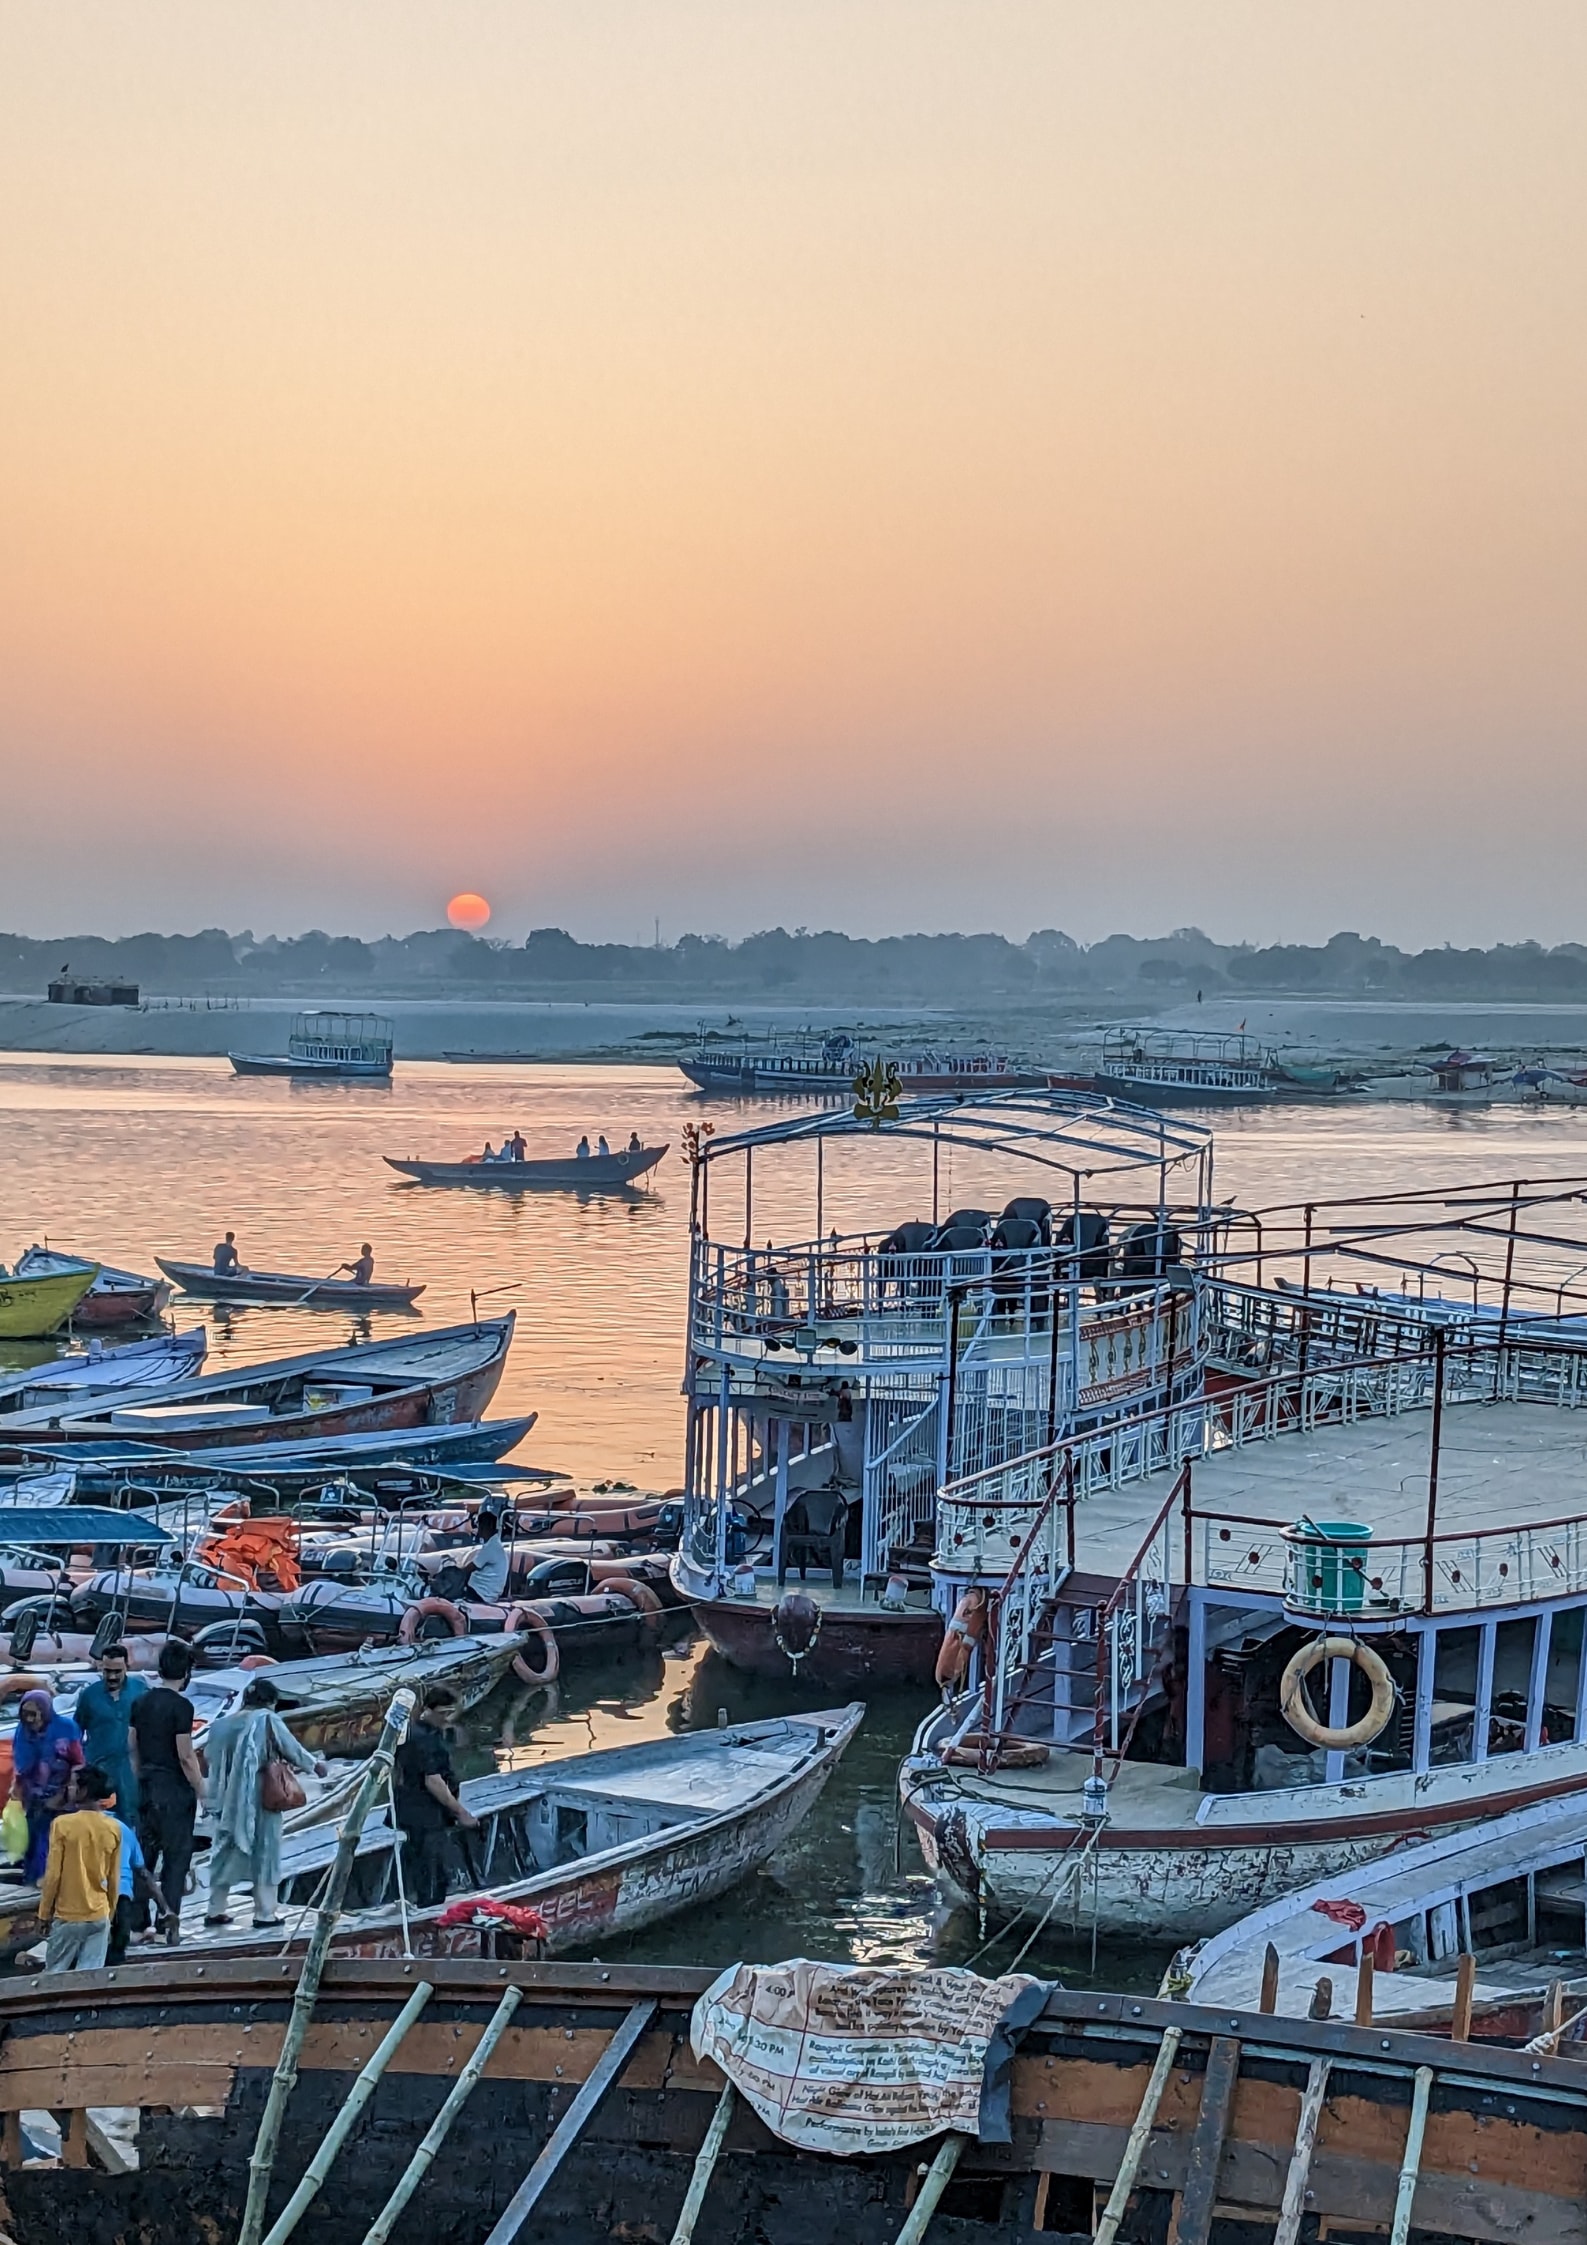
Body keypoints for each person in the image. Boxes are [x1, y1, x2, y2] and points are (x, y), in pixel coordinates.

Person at [202, 1678, 325, 1930]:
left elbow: (209, 1758)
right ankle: (265, 1913)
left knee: (224, 1851)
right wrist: (316, 1766)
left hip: (226, 1800)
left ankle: (215, 1909)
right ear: (270, 1702)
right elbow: (291, 1749)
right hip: (259, 1797)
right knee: (265, 1853)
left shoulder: (219, 1726)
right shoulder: (267, 1720)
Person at [130, 1641, 205, 1942]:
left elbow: (131, 1746)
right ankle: (166, 1925)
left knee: (144, 1858)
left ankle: (137, 1924)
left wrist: (139, 1779)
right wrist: (200, 1788)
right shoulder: (181, 1707)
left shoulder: (140, 1702)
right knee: (175, 1861)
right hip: (174, 1791)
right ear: (186, 1672)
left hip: (146, 1786)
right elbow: (185, 1755)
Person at [392, 1686, 480, 1908]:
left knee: (432, 1867)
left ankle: (432, 1903)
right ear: (426, 1710)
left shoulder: (428, 1732)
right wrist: (462, 1812)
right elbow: (433, 1781)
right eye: (442, 1713)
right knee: (429, 1871)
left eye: (450, 1712)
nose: (446, 1718)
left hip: (422, 1811)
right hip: (423, 1814)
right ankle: (429, 1911)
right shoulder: (421, 1738)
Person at [39, 1764, 120, 1975]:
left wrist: (44, 1914)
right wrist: (109, 1916)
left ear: (84, 1791)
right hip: (99, 1915)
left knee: (54, 1976)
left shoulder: (62, 1824)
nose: (70, 1789)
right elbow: (114, 1879)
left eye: (74, 1785)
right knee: (90, 1980)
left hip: (68, 1916)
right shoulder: (113, 1828)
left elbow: (53, 1875)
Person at [10, 1689, 85, 1881]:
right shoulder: (23, 1732)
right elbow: (21, 1766)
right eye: (25, 1714)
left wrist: (68, 1790)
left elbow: (78, 1761)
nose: (30, 1719)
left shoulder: (66, 1728)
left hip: (63, 1796)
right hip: (34, 1797)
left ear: (45, 1712)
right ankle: (35, 1884)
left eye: (34, 1714)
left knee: (58, 1843)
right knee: (35, 1843)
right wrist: (17, 1791)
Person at [75, 1643, 149, 1826]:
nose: (112, 1676)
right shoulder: (89, 1695)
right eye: (107, 1671)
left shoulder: (141, 1691)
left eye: (117, 1671)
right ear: (101, 1667)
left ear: (127, 1667)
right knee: (98, 1823)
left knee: (132, 1820)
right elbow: (76, 1731)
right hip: (98, 1770)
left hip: (131, 1770)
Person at [104, 1793, 169, 1965]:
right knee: (117, 1953)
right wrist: (165, 1908)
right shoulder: (123, 1829)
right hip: (121, 1895)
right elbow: (143, 1872)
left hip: (92, 1896)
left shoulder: (70, 1825)